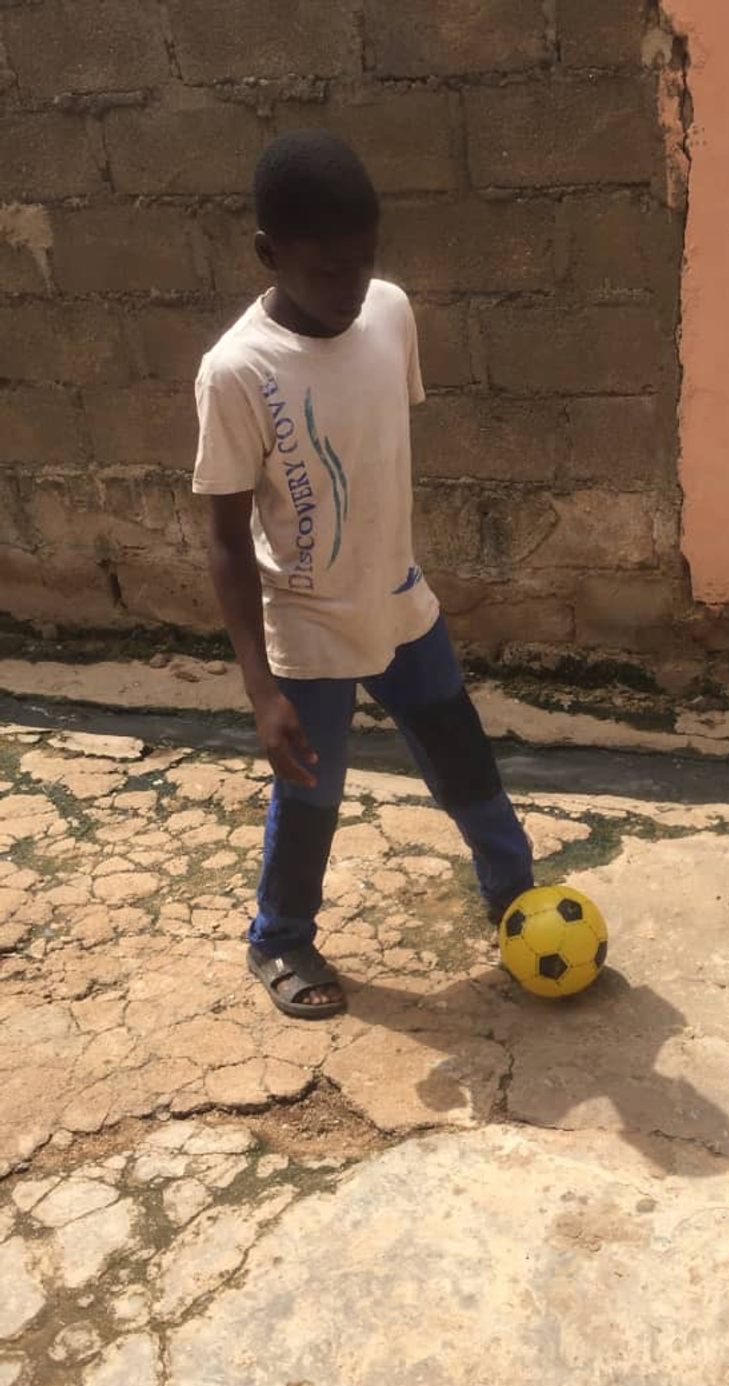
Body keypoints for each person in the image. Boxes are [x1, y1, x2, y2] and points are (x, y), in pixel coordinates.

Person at [193, 130, 534, 1019]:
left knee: (461, 753)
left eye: (363, 262)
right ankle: (279, 937)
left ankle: (516, 894)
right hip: (309, 628)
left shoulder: (389, 313)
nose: (351, 287)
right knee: (311, 794)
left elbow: (374, 445)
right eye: (327, 269)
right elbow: (225, 539)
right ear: (269, 254)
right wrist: (260, 688)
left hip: (402, 601)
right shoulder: (237, 371)